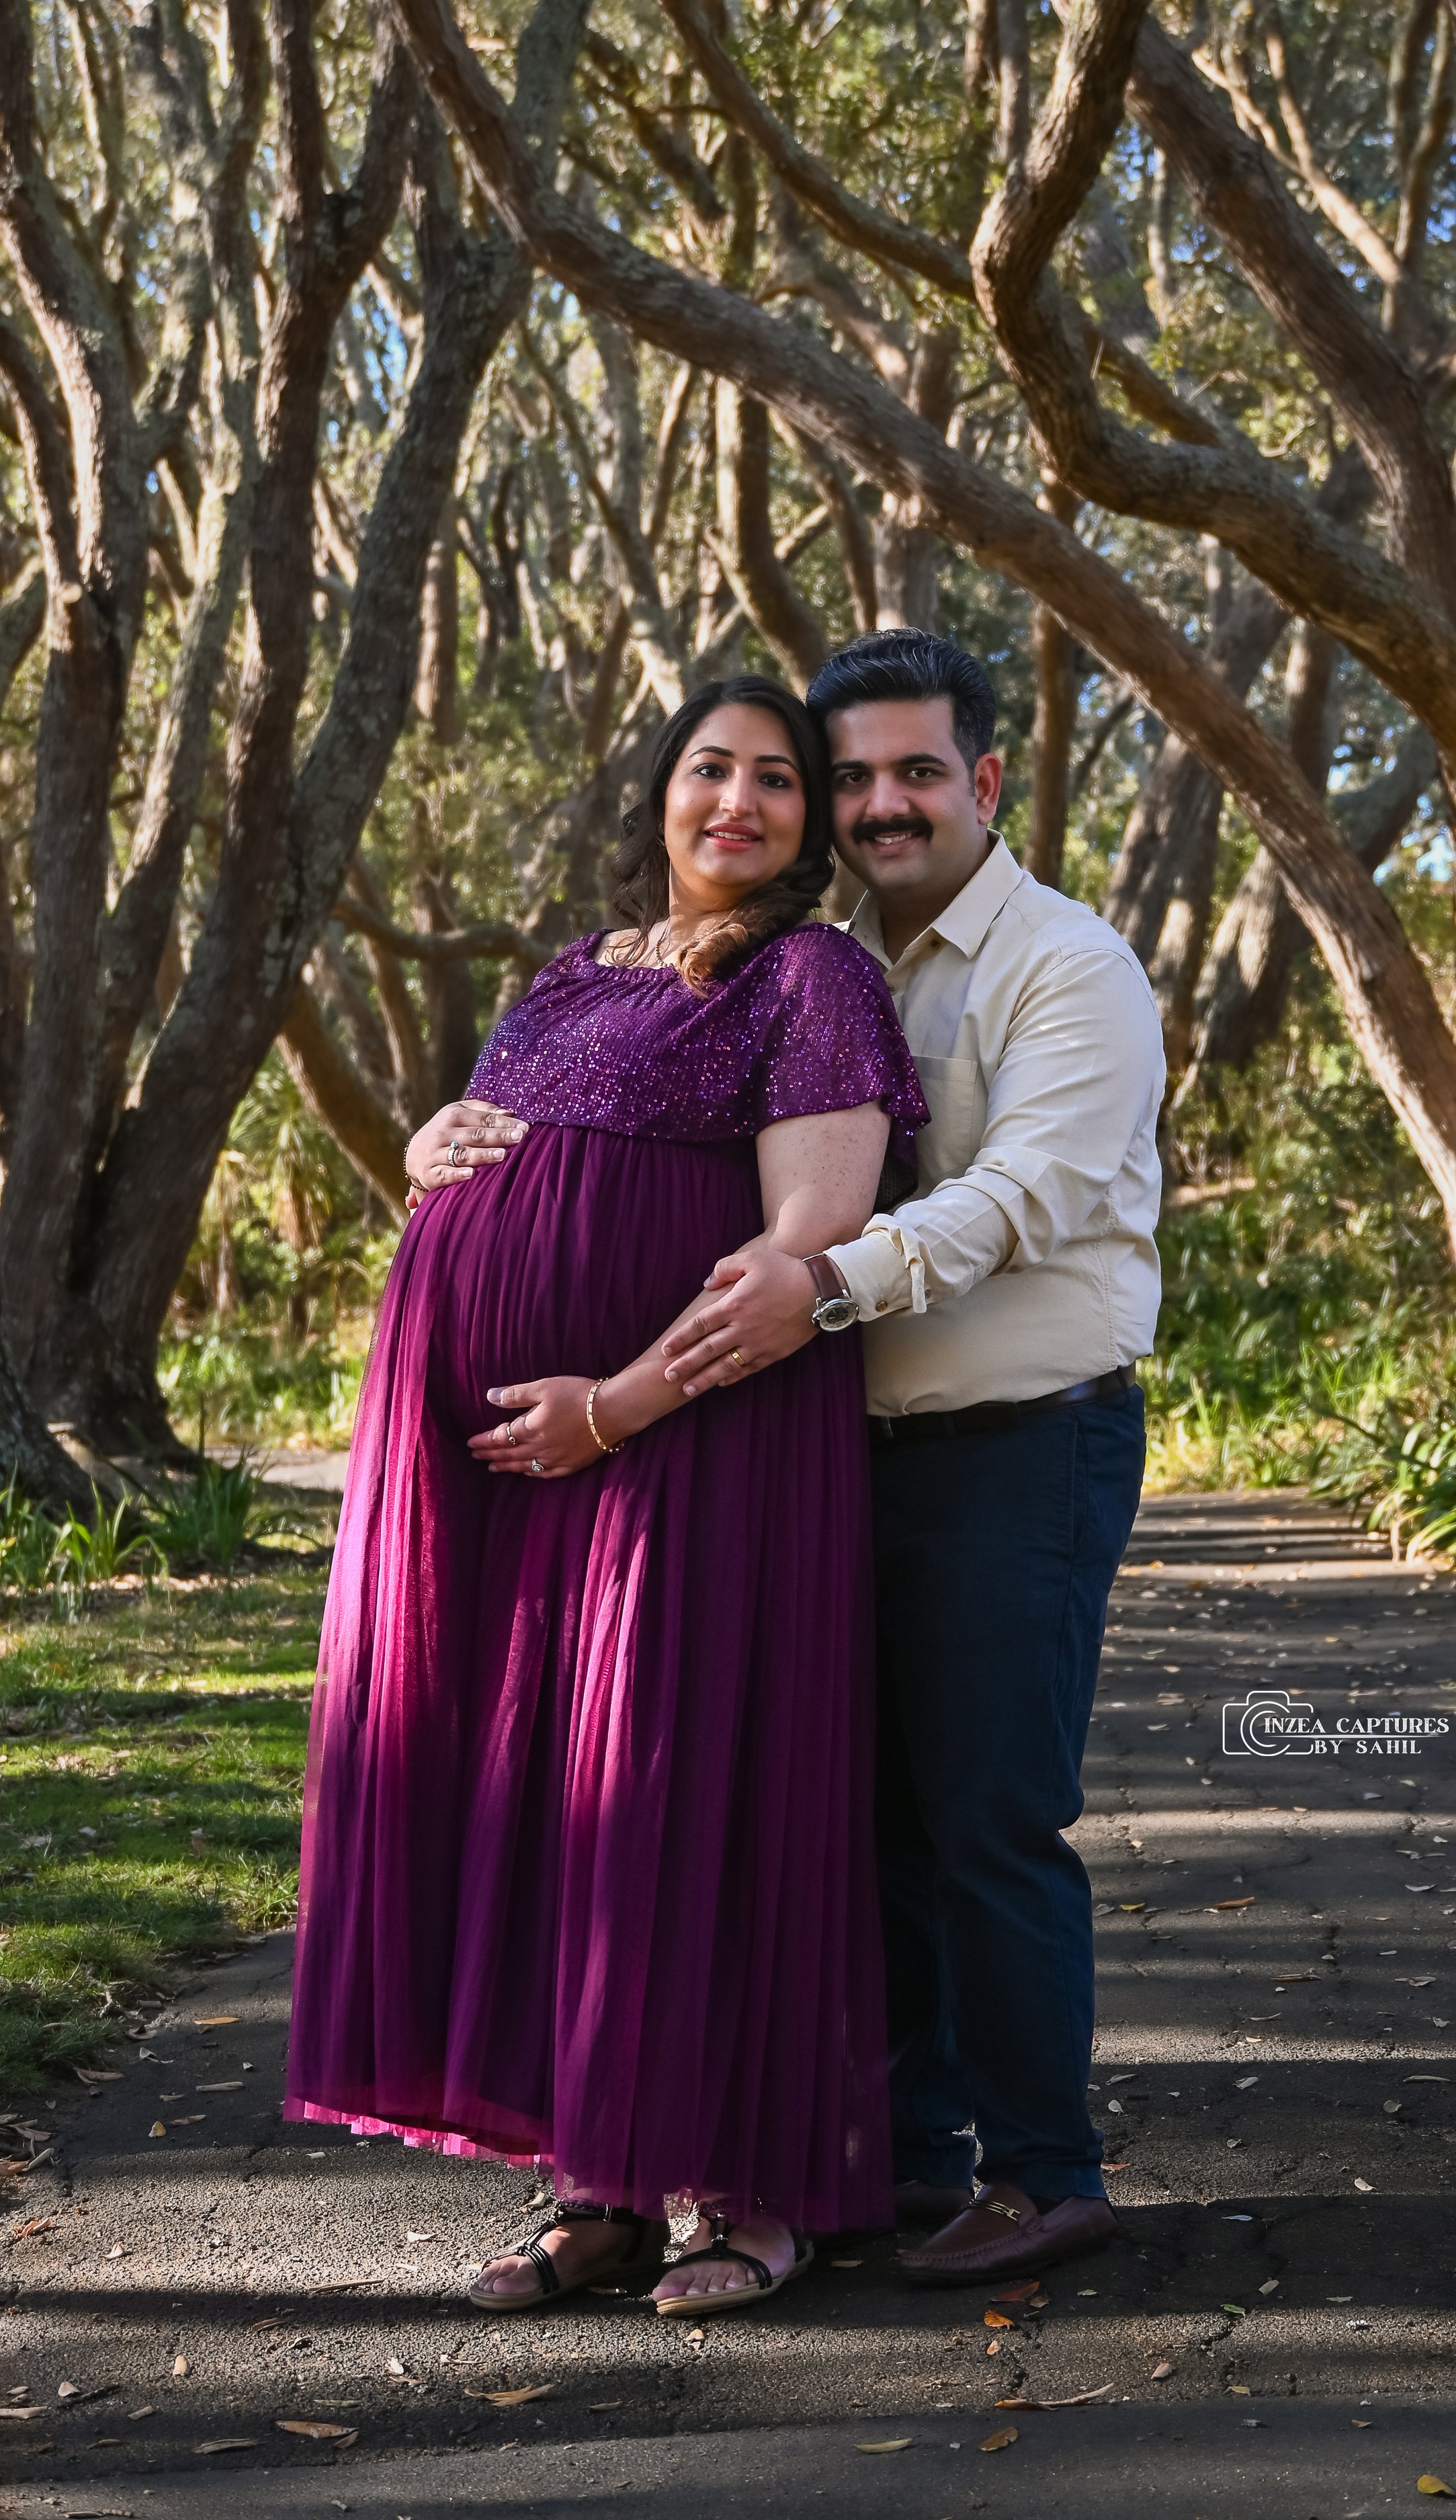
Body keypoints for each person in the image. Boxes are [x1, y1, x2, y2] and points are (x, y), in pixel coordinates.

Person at [284, 675, 927, 2318]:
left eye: (774, 779)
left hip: (695, 1448)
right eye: (709, 769)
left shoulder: (814, 973)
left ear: (809, 820)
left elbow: (799, 1252)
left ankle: (751, 2191)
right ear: (659, 792)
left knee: (680, 1784)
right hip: (516, 1475)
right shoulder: (574, 971)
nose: (739, 801)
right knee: (551, 1796)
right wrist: (428, 1155)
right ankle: (600, 2185)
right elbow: (499, 1153)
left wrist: (618, 1405)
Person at [662, 629, 1165, 2286]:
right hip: (831, 1459)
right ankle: (903, 2155)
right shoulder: (803, 965)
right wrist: (463, 1135)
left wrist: (822, 1285)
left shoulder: (1063, 964)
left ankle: (1043, 2170)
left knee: (986, 1820)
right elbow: (644, 1117)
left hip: (1023, 1447)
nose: (885, 805)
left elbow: (1022, 1194)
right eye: (855, 776)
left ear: (987, 779)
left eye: (917, 772)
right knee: (861, 1817)